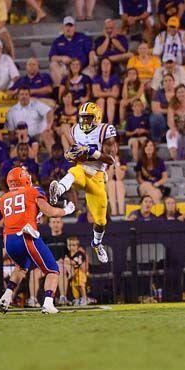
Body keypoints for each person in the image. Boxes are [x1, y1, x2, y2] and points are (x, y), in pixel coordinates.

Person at [0, 167, 75, 314]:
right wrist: (66, 211)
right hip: (26, 236)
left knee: (21, 268)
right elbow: (50, 212)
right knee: (53, 270)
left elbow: (20, 214)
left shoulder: (3, 199)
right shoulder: (33, 191)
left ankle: (6, 296)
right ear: (25, 179)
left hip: (9, 241)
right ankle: (48, 303)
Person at [50, 103, 117, 263]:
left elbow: (111, 159)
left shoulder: (105, 130)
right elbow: (73, 153)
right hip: (82, 169)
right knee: (74, 171)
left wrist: (92, 152)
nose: (85, 121)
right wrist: (71, 155)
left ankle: (97, 243)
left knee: (101, 220)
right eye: (83, 118)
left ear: (97, 118)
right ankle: (58, 190)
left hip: (98, 176)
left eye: (88, 118)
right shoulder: (75, 130)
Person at [5, 87, 54, 154]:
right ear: (18, 96)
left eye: (26, 94)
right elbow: (11, 132)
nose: (24, 96)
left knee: (47, 135)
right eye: (22, 94)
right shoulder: (12, 111)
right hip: (21, 137)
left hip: (38, 135)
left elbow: (49, 112)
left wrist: (48, 126)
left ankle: (54, 161)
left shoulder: (36, 104)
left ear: (29, 96)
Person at [49, 16, 93, 86]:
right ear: (63, 27)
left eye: (71, 26)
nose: (68, 29)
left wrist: (91, 65)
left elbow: (91, 52)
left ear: (74, 27)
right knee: (53, 64)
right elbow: (52, 57)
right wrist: (62, 58)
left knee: (91, 70)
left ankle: (88, 95)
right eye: (66, 26)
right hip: (67, 68)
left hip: (83, 68)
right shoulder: (57, 41)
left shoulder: (83, 37)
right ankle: (62, 91)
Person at [136, 139, 168, 203]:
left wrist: (157, 184)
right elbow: (139, 178)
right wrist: (148, 184)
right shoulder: (140, 162)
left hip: (157, 186)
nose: (149, 148)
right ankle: (157, 209)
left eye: (151, 145)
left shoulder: (160, 161)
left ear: (154, 148)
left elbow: (165, 177)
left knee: (154, 193)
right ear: (144, 148)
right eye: (146, 146)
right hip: (143, 186)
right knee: (146, 186)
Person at [91, 58, 120, 124]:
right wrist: (109, 92)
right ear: (100, 66)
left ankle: (110, 124)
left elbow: (115, 94)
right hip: (99, 100)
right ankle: (98, 124)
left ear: (111, 66)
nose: (105, 65)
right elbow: (96, 94)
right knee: (101, 100)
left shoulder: (114, 77)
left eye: (108, 64)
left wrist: (102, 92)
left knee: (110, 100)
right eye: (103, 63)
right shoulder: (96, 77)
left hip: (112, 100)